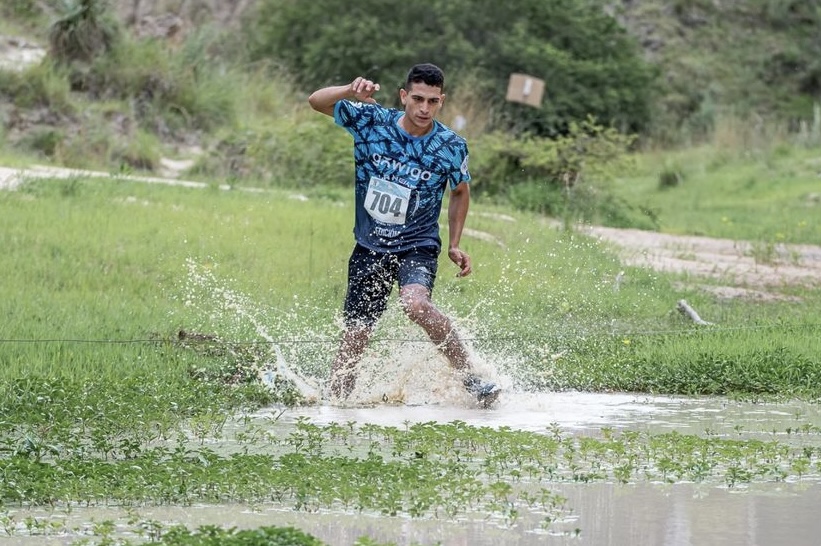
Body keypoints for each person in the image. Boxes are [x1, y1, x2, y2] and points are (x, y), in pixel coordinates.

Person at [308, 63, 500, 406]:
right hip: (370, 244)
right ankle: (334, 405)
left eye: (432, 101)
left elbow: (460, 192)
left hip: (418, 244)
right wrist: (349, 91)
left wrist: (454, 244)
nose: (424, 109)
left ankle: (472, 378)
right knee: (356, 334)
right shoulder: (372, 121)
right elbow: (315, 101)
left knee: (415, 304)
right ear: (403, 96)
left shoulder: (450, 146)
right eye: (417, 99)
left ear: (441, 101)